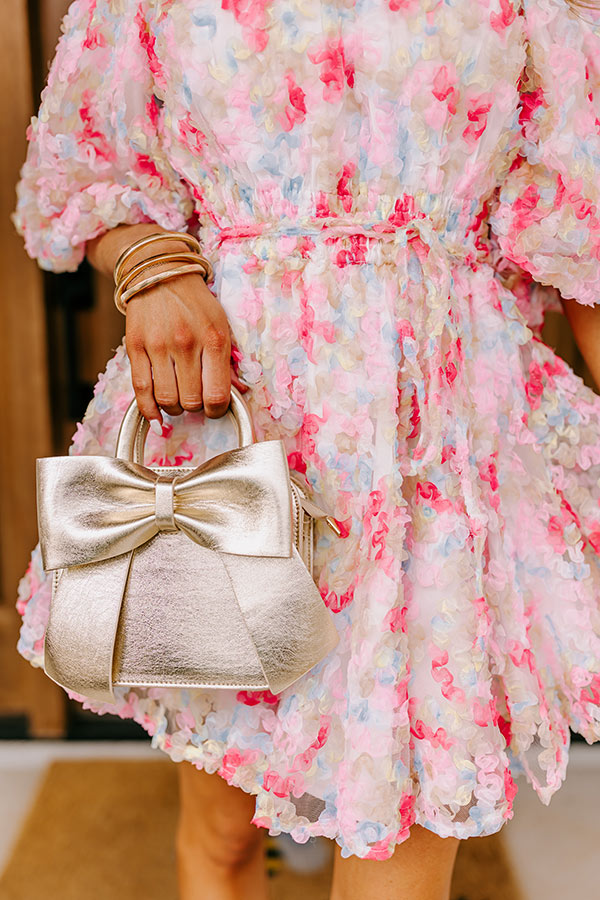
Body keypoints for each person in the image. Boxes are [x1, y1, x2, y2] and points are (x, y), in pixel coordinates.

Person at [12, 0, 600, 897]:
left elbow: (583, 229)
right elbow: (92, 172)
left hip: (438, 453)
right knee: (224, 835)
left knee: (398, 851)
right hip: (230, 425)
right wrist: (151, 269)